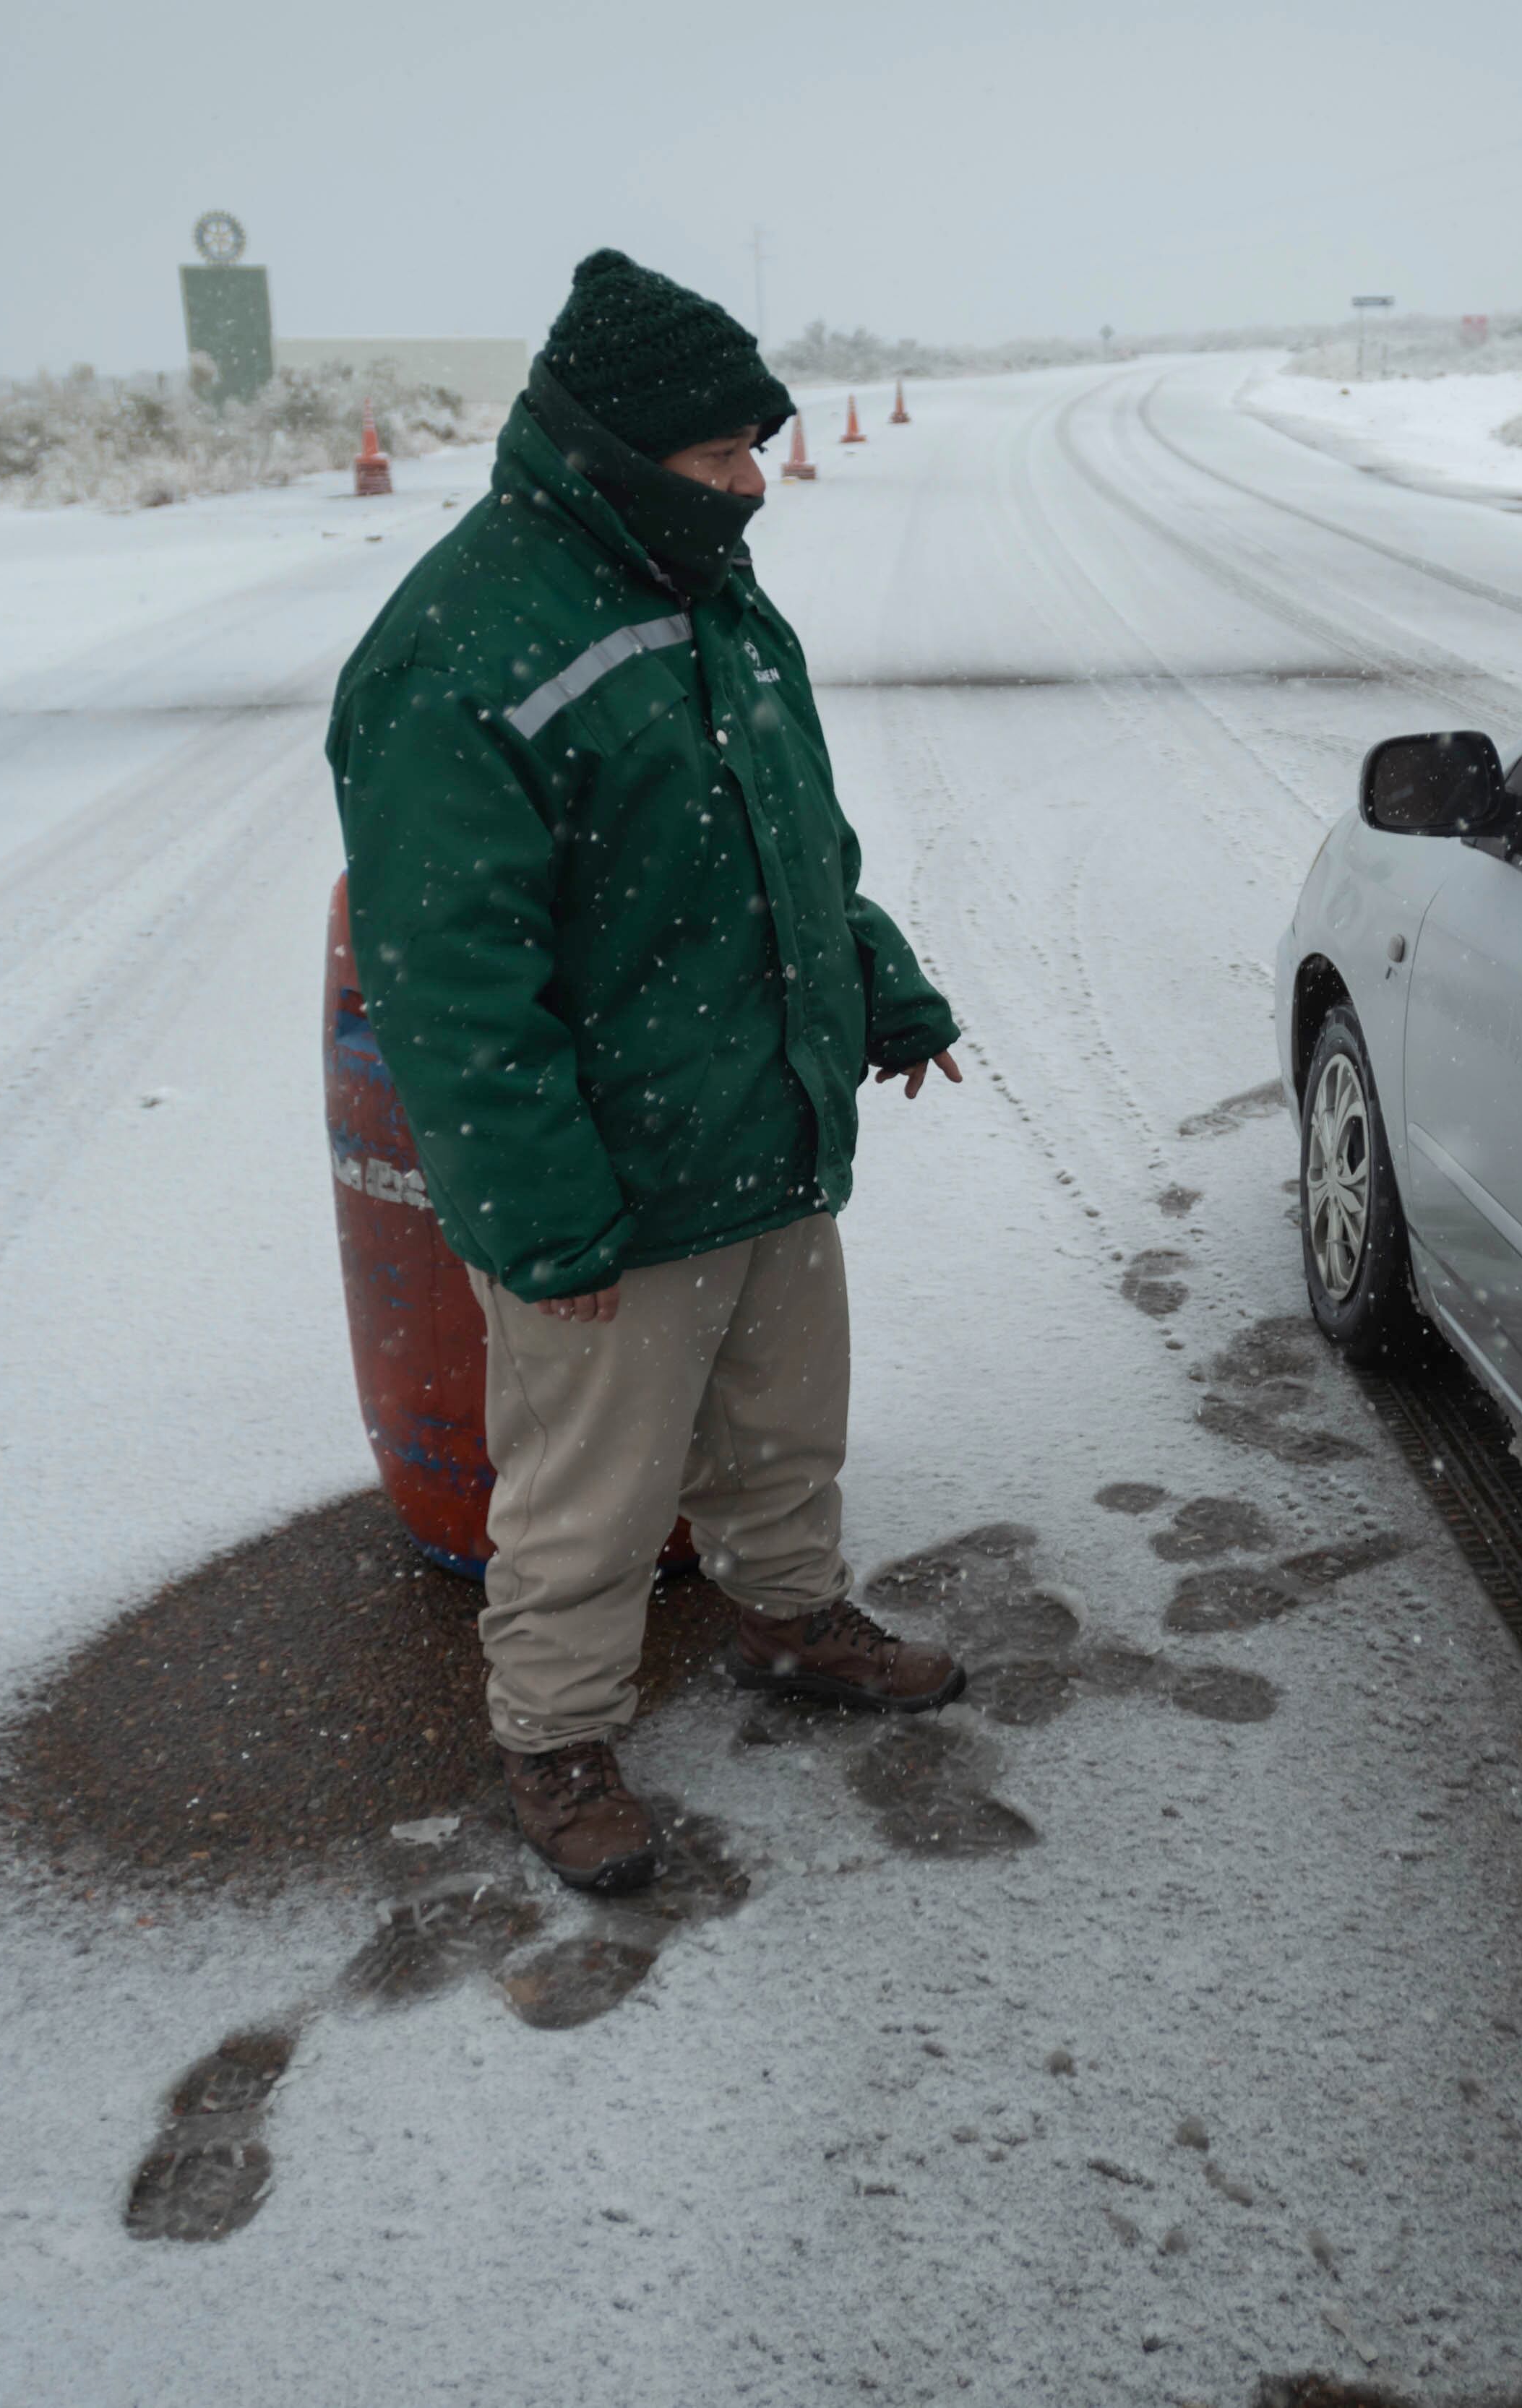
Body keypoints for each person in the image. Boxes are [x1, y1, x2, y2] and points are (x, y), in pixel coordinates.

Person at [326, 249, 970, 1896]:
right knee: (588, 1500)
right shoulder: (453, 652)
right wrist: (543, 1216)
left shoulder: (706, 592)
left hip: (763, 1122)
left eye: (760, 449)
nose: (755, 485)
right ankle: (554, 1738)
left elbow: (795, 845)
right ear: (616, 456)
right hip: (611, 1181)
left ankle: (788, 1618)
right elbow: (454, 988)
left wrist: (881, 990)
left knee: (782, 1424)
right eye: (722, 458)